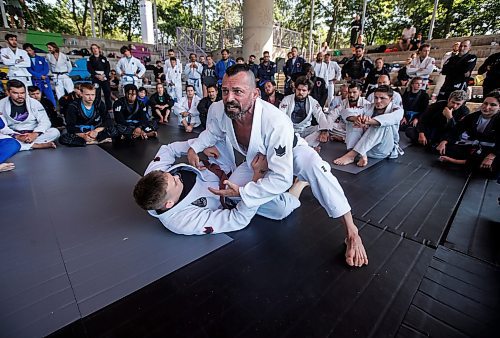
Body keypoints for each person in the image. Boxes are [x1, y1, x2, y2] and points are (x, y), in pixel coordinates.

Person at [186, 64, 368, 267]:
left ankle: (352, 232)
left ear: (255, 94)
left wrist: (250, 189)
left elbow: (281, 178)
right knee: (239, 196)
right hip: (256, 160)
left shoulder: (275, 121)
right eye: (225, 91)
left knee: (316, 168)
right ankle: (296, 188)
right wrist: (195, 148)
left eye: (238, 91)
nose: (229, 98)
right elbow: (213, 132)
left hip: (292, 153)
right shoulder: (222, 109)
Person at [134, 139, 308, 235]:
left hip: (217, 164)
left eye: (169, 174)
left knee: (216, 135)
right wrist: (256, 179)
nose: (176, 175)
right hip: (229, 190)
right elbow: (237, 220)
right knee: (280, 210)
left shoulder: (154, 176)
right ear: (169, 203)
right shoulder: (181, 221)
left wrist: (196, 148)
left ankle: (293, 152)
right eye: (174, 181)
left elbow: (168, 149)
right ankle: (299, 183)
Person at [334, 86, 404, 167]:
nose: (378, 101)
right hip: (366, 148)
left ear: (391, 99)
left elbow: (391, 118)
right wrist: (356, 119)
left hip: (382, 150)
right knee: (353, 120)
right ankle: (360, 153)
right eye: (376, 98)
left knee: (381, 125)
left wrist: (368, 121)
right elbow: (346, 111)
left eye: (382, 98)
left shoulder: (397, 109)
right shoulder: (369, 106)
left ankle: (352, 155)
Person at [438, 91, 499, 176]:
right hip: (474, 147)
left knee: (494, 166)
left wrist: (491, 156)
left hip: (492, 150)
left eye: (493, 105)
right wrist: (444, 141)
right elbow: (456, 130)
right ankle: (467, 163)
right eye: (485, 103)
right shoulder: (474, 116)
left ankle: (455, 161)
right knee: (445, 148)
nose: (487, 107)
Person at [0, 80, 59, 150]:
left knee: (55, 132)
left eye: (22, 93)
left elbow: (45, 121)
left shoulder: (34, 103)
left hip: (33, 132)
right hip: (14, 133)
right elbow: (3, 127)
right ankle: (34, 145)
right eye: (15, 93)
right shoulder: (1, 104)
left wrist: (35, 134)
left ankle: (21, 145)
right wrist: (17, 136)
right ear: (8, 93)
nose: (20, 96)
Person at [279, 76, 329, 149]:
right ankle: (308, 147)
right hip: (290, 131)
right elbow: (281, 115)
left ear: (308, 91)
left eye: (304, 90)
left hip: (305, 130)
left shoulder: (313, 101)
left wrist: (324, 131)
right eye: (298, 89)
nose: (300, 92)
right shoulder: (287, 100)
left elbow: (320, 115)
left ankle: (300, 145)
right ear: (295, 89)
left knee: (321, 129)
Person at [23, 43, 56, 107]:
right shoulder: (26, 60)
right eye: (26, 51)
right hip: (35, 80)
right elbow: (29, 70)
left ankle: (54, 108)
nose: (28, 52)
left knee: (50, 95)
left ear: (33, 50)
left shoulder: (41, 58)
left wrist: (42, 75)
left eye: (29, 50)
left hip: (45, 80)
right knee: (36, 96)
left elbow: (46, 69)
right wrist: (39, 76)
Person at [87, 43, 112, 113]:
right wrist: (96, 75)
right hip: (95, 77)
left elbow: (108, 68)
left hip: (104, 77)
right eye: (93, 49)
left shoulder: (104, 58)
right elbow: (89, 69)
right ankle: (97, 107)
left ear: (98, 49)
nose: (95, 50)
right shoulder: (90, 59)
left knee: (107, 92)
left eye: (96, 48)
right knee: (97, 93)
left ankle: (109, 107)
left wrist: (104, 75)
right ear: (91, 50)